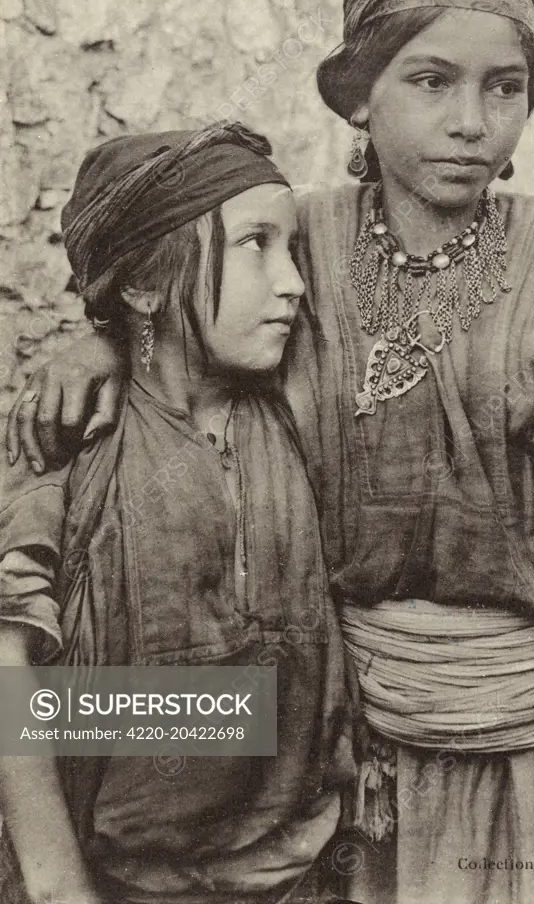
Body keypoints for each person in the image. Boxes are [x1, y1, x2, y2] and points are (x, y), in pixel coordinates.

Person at [7, 0, 534, 904]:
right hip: (353, 747)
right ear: (358, 95)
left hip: (529, 727)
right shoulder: (300, 235)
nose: (471, 121)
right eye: (430, 81)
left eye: (505, 87)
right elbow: (176, 266)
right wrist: (100, 337)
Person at [0, 122, 355, 904]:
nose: (293, 281)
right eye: (256, 244)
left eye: (291, 247)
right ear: (142, 284)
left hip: (309, 876)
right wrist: (60, 885)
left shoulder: (301, 409)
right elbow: (9, 670)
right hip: (120, 883)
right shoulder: (73, 443)